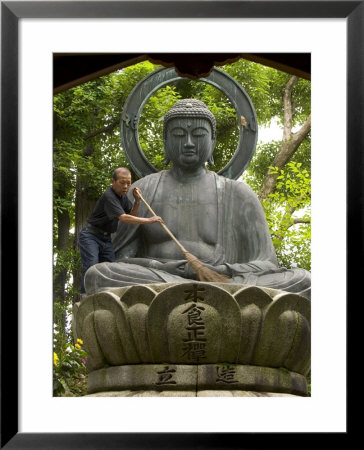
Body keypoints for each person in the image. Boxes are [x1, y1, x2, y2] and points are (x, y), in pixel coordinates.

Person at [84, 100, 311, 299]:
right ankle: (189, 290)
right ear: (165, 140)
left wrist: (220, 269)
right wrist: (178, 269)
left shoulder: (237, 194)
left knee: (301, 280)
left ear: (212, 140)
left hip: (222, 281)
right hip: (156, 280)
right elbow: (118, 258)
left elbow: (267, 263)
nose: (189, 143)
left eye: (199, 135)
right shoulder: (142, 190)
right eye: (179, 135)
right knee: (99, 274)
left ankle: (194, 292)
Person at [78, 167, 163, 294]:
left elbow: (131, 213)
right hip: (91, 236)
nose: (126, 186)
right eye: (122, 182)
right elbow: (123, 218)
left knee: (110, 269)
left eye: (128, 183)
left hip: (106, 239)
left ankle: (103, 296)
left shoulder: (122, 197)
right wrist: (149, 220)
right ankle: (85, 297)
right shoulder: (109, 196)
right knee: (91, 267)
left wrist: (137, 201)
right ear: (113, 181)